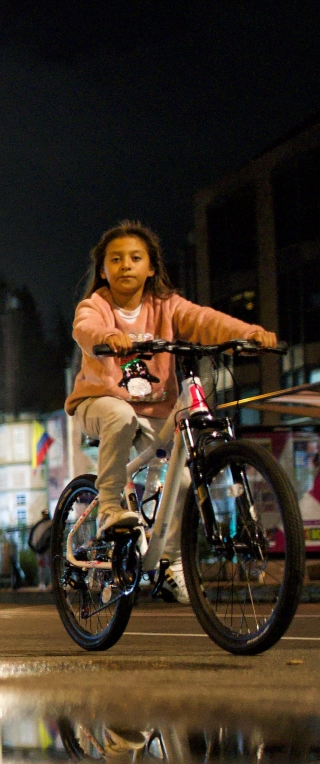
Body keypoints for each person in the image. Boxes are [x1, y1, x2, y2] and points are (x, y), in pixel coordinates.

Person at [68, 220, 276, 603]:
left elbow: (205, 320)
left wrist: (248, 333)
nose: (126, 265)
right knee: (119, 415)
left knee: (181, 481)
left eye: (136, 258)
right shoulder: (96, 306)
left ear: (151, 268)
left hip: (155, 408)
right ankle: (110, 508)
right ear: (103, 270)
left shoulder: (166, 306)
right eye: (116, 259)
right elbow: (85, 328)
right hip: (98, 403)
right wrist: (106, 337)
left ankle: (168, 564)